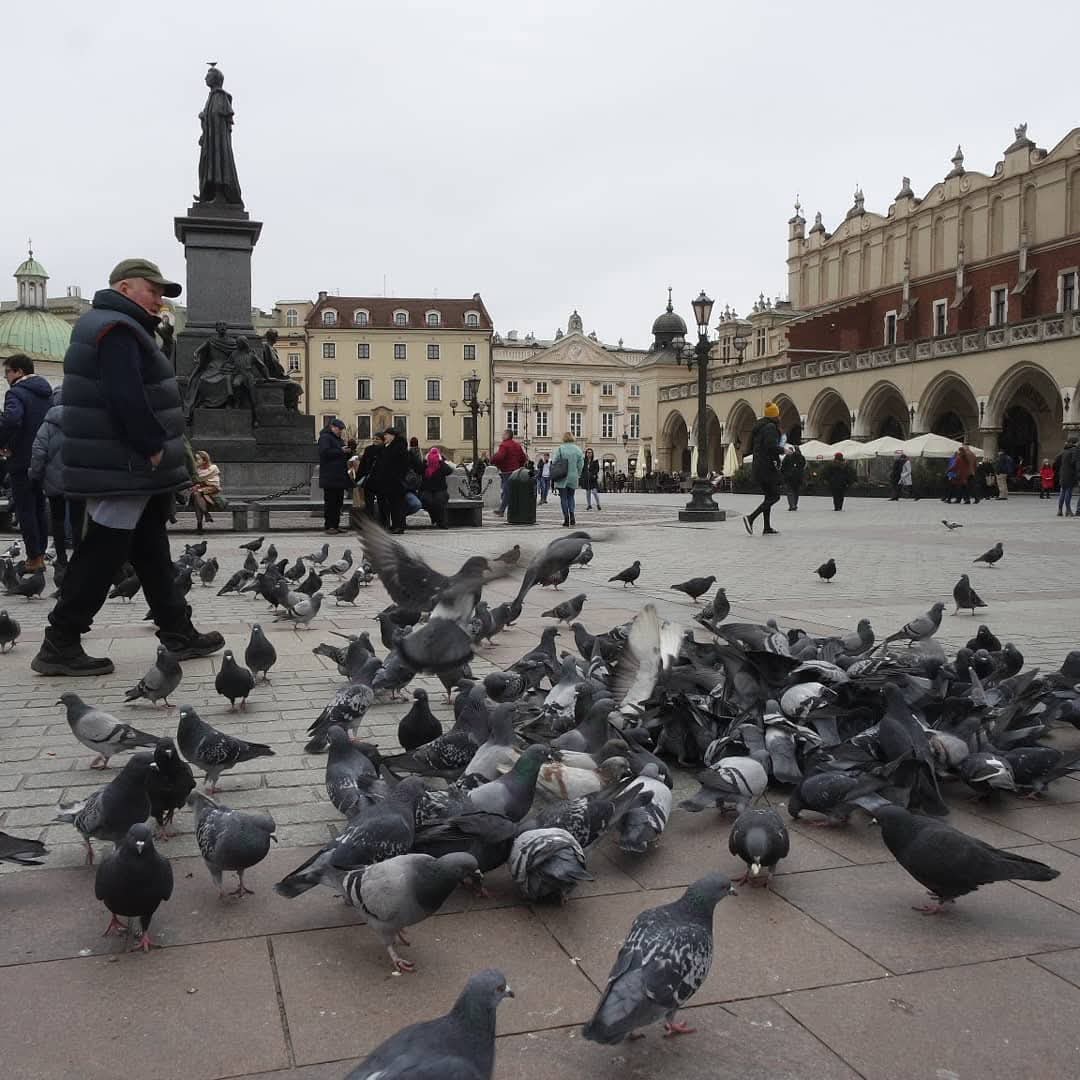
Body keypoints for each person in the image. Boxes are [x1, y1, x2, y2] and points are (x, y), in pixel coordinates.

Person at [31, 258, 224, 676]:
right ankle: (60, 641)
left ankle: (178, 631)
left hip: (123, 461)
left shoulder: (118, 326)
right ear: (124, 288)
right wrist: (150, 443)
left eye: (162, 294)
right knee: (102, 551)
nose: (158, 300)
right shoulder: (116, 329)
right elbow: (125, 393)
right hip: (125, 463)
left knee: (151, 548)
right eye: (152, 291)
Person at [0, 354, 53, 572]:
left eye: (7, 372)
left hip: (21, 459)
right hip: (43, 458)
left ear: (19, 372)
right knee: (39, 507)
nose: (6, 377)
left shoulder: (16, 393)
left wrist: (3, 442)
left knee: (25, 509)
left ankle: (34, 557)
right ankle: (40, 553)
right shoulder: (46, 393)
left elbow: (12, 419)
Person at [29, 383, 85, 570]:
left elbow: (38, 452)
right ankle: (79, 557)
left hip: (53, 482)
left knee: (58, 521)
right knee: (77, 522)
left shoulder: (47, 425)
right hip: (78, 480)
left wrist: (35, 475)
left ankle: (61, 558)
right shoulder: (83, 422)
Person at [743, 402, 782, 535]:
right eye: (778, 414)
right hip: (766, 468)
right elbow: (771, 446)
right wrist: (783, 450)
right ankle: (751, 518)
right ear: (774, 416)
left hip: (760, 466)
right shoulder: (770, 427)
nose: (779, 417)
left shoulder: (762, 427)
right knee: (775, 496)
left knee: (768, 497)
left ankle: (767, 527)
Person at [317, 418, 350, 535]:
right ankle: (329, 526)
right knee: (331, 503)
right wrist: (341, 450)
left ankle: (336, 525)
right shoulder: (325, 438)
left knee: (338, 503)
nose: (340, 431)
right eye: (339, 429)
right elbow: (325, 453)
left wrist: (348, 451)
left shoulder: (338, 439)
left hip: (339, 476)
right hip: (330, 476)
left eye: (341, 429)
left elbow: (341, 454)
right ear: (332, 427)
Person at [379, 425, 411, 533]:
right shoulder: (391, 446)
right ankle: (396, 525)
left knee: (397, 504)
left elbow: (398, 464)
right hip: (391, 480)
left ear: (392, 436)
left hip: (396, 481)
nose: (385, 437)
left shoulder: (398, 448)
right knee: (394, 504)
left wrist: (397, 476)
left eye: (386, 435)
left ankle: (399, 526)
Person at [550, 432, 585, 527]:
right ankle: (572, 516)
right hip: (573, 476)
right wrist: (578, 473)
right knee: (571, 497)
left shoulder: (560, 449)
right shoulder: (577, 449)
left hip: (562, 476)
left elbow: (554, 461)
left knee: (563, 498)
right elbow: (581, 464)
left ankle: (566, 518)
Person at [491, 428, 527, 516]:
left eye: (503, 434)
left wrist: (492, 460)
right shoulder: (517, 445)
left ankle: (502, 510)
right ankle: (512, 510)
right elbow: (523, 457)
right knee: (510, 491)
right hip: (516, 472)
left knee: (507, 490)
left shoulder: (504, 445)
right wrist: (520, 466)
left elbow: (500, 456)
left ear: (507, 435)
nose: (502, 436)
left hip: (507, 471)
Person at [420, 446, 454, 528]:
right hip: (427, 490)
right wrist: (425, 461)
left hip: (440, 490)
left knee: (439, 500)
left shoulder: (441, 465)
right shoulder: (426, 465)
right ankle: (435, 519)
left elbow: (449, 471)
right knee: (427, 500)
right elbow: (419, 470)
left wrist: (441, 461)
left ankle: (441, 522)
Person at [356, 431, 386, 525]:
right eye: (374, 439)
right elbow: (363, 464)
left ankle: (382, 522)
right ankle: (369, 522)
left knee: (382, 502)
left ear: (383, 440)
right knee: (369, 502)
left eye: (378, 439)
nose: (375, 440)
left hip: (381, 480)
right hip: (369, 479)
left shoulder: (385, 450)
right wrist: (359, 477)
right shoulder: (368, 449)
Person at [192, 450, 224, 531]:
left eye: (198, 459)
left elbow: (214, 484)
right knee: (197, 495)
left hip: (211, 492)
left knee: (197, 498)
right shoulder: (195, 470)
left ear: (204, 460)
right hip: (199, 492)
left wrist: (200, 484)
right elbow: (194, 482)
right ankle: (206, 514)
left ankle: (199, 525)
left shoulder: (213, 468)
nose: (195, 461)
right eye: (195, 459)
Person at [781, 443, 806, 511]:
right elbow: (803, 466)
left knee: (790, 491)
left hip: (789, 477)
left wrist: (784, 474)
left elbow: (783, 466)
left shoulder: (788, 456)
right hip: (798, 477)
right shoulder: (802, 457)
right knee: (796, 492)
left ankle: (792, 505)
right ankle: (795, 504)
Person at [1058, 438, 1078, 517]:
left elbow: (1056, 460)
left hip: (1063, 473)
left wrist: (1061, 468)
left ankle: (1060, 510)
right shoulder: (1074, 450)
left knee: (1063, 491)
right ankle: (1068, 510)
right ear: (1075, 443)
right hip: (1070, 474)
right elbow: (1074, 462)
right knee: (1068, 492)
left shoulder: (1064, 451)